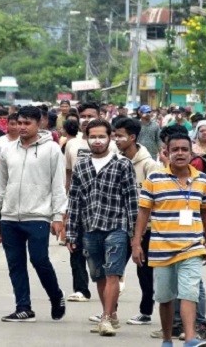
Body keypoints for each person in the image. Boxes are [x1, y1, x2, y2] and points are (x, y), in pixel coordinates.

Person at [132, 133, 206, 347]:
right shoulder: (155, 180)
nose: (180, 153)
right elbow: (143, 213)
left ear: (191, 152)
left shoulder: (201, 180)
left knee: (189, 292)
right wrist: (137, 242)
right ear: (167, 153)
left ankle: (190, 339)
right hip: (161, 247)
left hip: (192, 246)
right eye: (175, 149)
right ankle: (167, 339)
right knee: (165, 297)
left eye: (184, 149)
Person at [0, 105, 67, 322]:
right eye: (19, 123)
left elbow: (58, 185)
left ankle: (56, 296)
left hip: (39, 215)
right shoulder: (7, 149)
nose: (22, 127)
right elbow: (0, 184)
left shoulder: (51, 149)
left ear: (39, 123)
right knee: (15, 264)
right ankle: (23, 307)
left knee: (40, 259)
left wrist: (58, 216)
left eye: (27, 123)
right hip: (9, 217)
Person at [66, 118, 138, 337]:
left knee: (113, 273)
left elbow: (132, 201)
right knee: (98, 275)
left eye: (102, 136)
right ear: (86, 138)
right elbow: (75, 200)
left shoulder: (122, 164)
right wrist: (70, 232)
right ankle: (111, 313)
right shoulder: (82, 165)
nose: (97, 141)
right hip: (89, 228)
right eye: (93, 137)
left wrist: (135, 235)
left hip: (116, 226)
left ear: (110, 138)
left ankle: (105, 318)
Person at [63, 102, 117, 302]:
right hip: (79, 204)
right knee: (75, 247)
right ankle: (81, 289)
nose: (86, 119)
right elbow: (68, 173)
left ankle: (112, 285)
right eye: (83, 116)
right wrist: (66, 202)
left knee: (104, 253)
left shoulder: (111, 144)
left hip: (105, 209)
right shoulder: (72, 144)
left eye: (90, 115)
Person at [112, 117, 162, 326]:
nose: (116, 139)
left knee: (145, 272)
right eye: (114, 135)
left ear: (132, 137)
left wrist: (141, 232)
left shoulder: (151, 166)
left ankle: (146, 311)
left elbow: (156, 200)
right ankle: (109, 310)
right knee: (112, 270)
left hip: (146, 228)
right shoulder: (114, 160)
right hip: (119, 225)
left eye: (120, 135)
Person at [0, 113, 19, 187]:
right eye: (12, 124)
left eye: (18, 124)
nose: (14, 127)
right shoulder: (0, 140)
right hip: (2, 178)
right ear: (7, 125)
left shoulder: (25, 141)